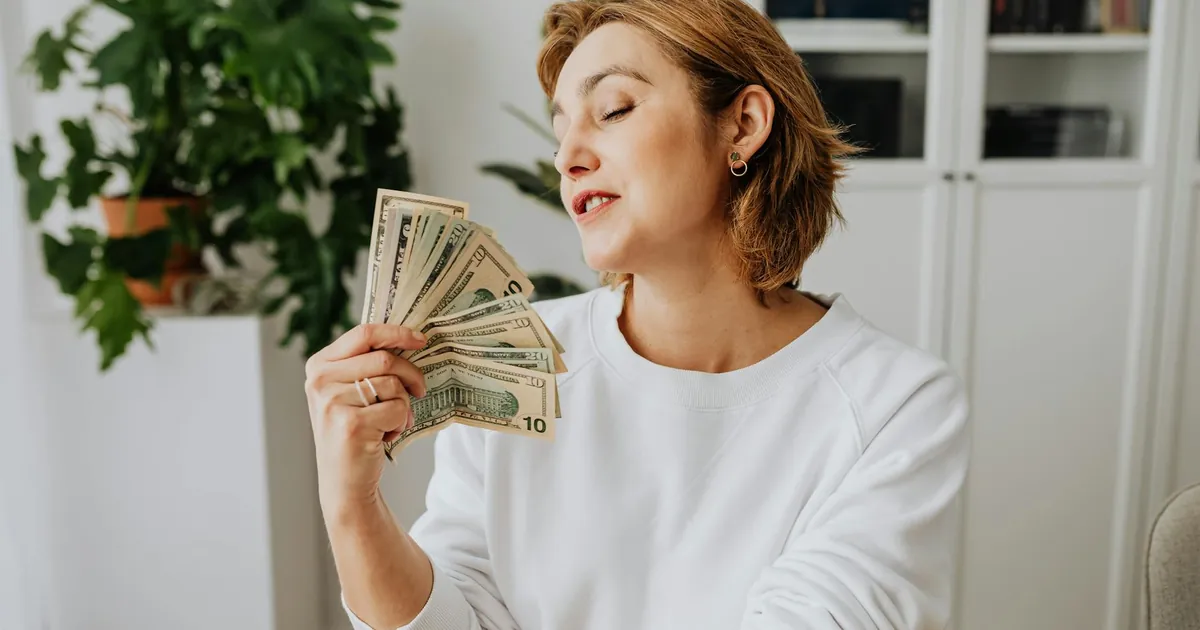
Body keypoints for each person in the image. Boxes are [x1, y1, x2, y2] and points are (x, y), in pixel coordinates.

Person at [304, 0, 971, 628]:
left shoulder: (896, 405)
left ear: (743, 125)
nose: (567, 157)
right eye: (560, 129)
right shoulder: (517, 363)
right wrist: (352, 507)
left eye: (613, 109)